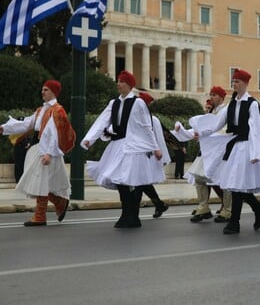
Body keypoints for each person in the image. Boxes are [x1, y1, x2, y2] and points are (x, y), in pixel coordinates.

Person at [81, 70, 164, 228]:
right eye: (118, 81)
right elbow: (102, 121)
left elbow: (147, 126)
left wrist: (155, 148)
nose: (118, 84)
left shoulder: (138, 103)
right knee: (121, 181)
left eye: (121, 81)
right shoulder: (114, 103)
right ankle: (126, 213)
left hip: (135, 147)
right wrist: (89, 139)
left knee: (136, 181)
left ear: (129, 84)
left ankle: (133, 216)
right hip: (119, 145)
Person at [195, 69, 260, 234]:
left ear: (245, 83)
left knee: (238, 186)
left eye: (237, 81)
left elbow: (256, 129)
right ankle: (256, 211)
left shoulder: (252, 103)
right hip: (235, 146)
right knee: (236, 186)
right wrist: (201, 133)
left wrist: (257, 153)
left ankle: (236, 221)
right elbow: (217, 124)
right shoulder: (231, 104)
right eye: (233, 81)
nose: (234, 84)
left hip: (246, 146)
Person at [0, 80, 74, 226]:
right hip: (37, 149)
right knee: (35, 183)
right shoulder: (41, 110)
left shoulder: (57, 110)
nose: (42, 92)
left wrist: (49, 153)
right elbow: (27, 124)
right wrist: (4, 128)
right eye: (43, 89)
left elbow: (55, 134)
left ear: (53, 92)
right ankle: (59, 202)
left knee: (39, 183)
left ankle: (40, 216)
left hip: (46, 151)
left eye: (45, 90)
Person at [181, 86, 232, 223]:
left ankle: (228, 209)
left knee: (223, 180)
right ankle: (203, 206)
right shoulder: (212, 111)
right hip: (208, 150)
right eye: (211, 94)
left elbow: (226, 130)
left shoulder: (226, 110)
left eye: (214, 94)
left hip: (220, 150)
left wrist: (207, 136)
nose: (212, 97)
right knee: (199, 177)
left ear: (221, 97)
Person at [137, 92, 171, 218]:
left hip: (147, 154)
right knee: (142, 182)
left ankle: (155, 205)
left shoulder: (151, 119)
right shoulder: (147, 117)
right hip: (142, 153)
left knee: (141, 182)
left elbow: (161, 136)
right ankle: (159, 204)